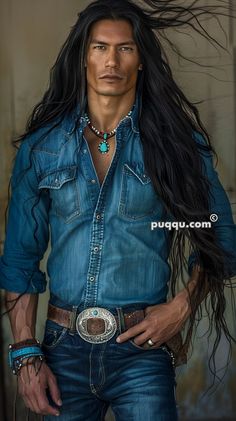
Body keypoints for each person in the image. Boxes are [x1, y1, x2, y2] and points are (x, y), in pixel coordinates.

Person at [1, 1, 236, 420]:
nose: (112, 60)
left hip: (142, 352)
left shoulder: (177, 146)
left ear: (141, 59)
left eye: (125, 48)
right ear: (83, 58)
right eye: (99, 48)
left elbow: (219, 234)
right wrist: (24, 351)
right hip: (61, 351)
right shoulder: (42, 148)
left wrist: (181, 306)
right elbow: (21, 259)